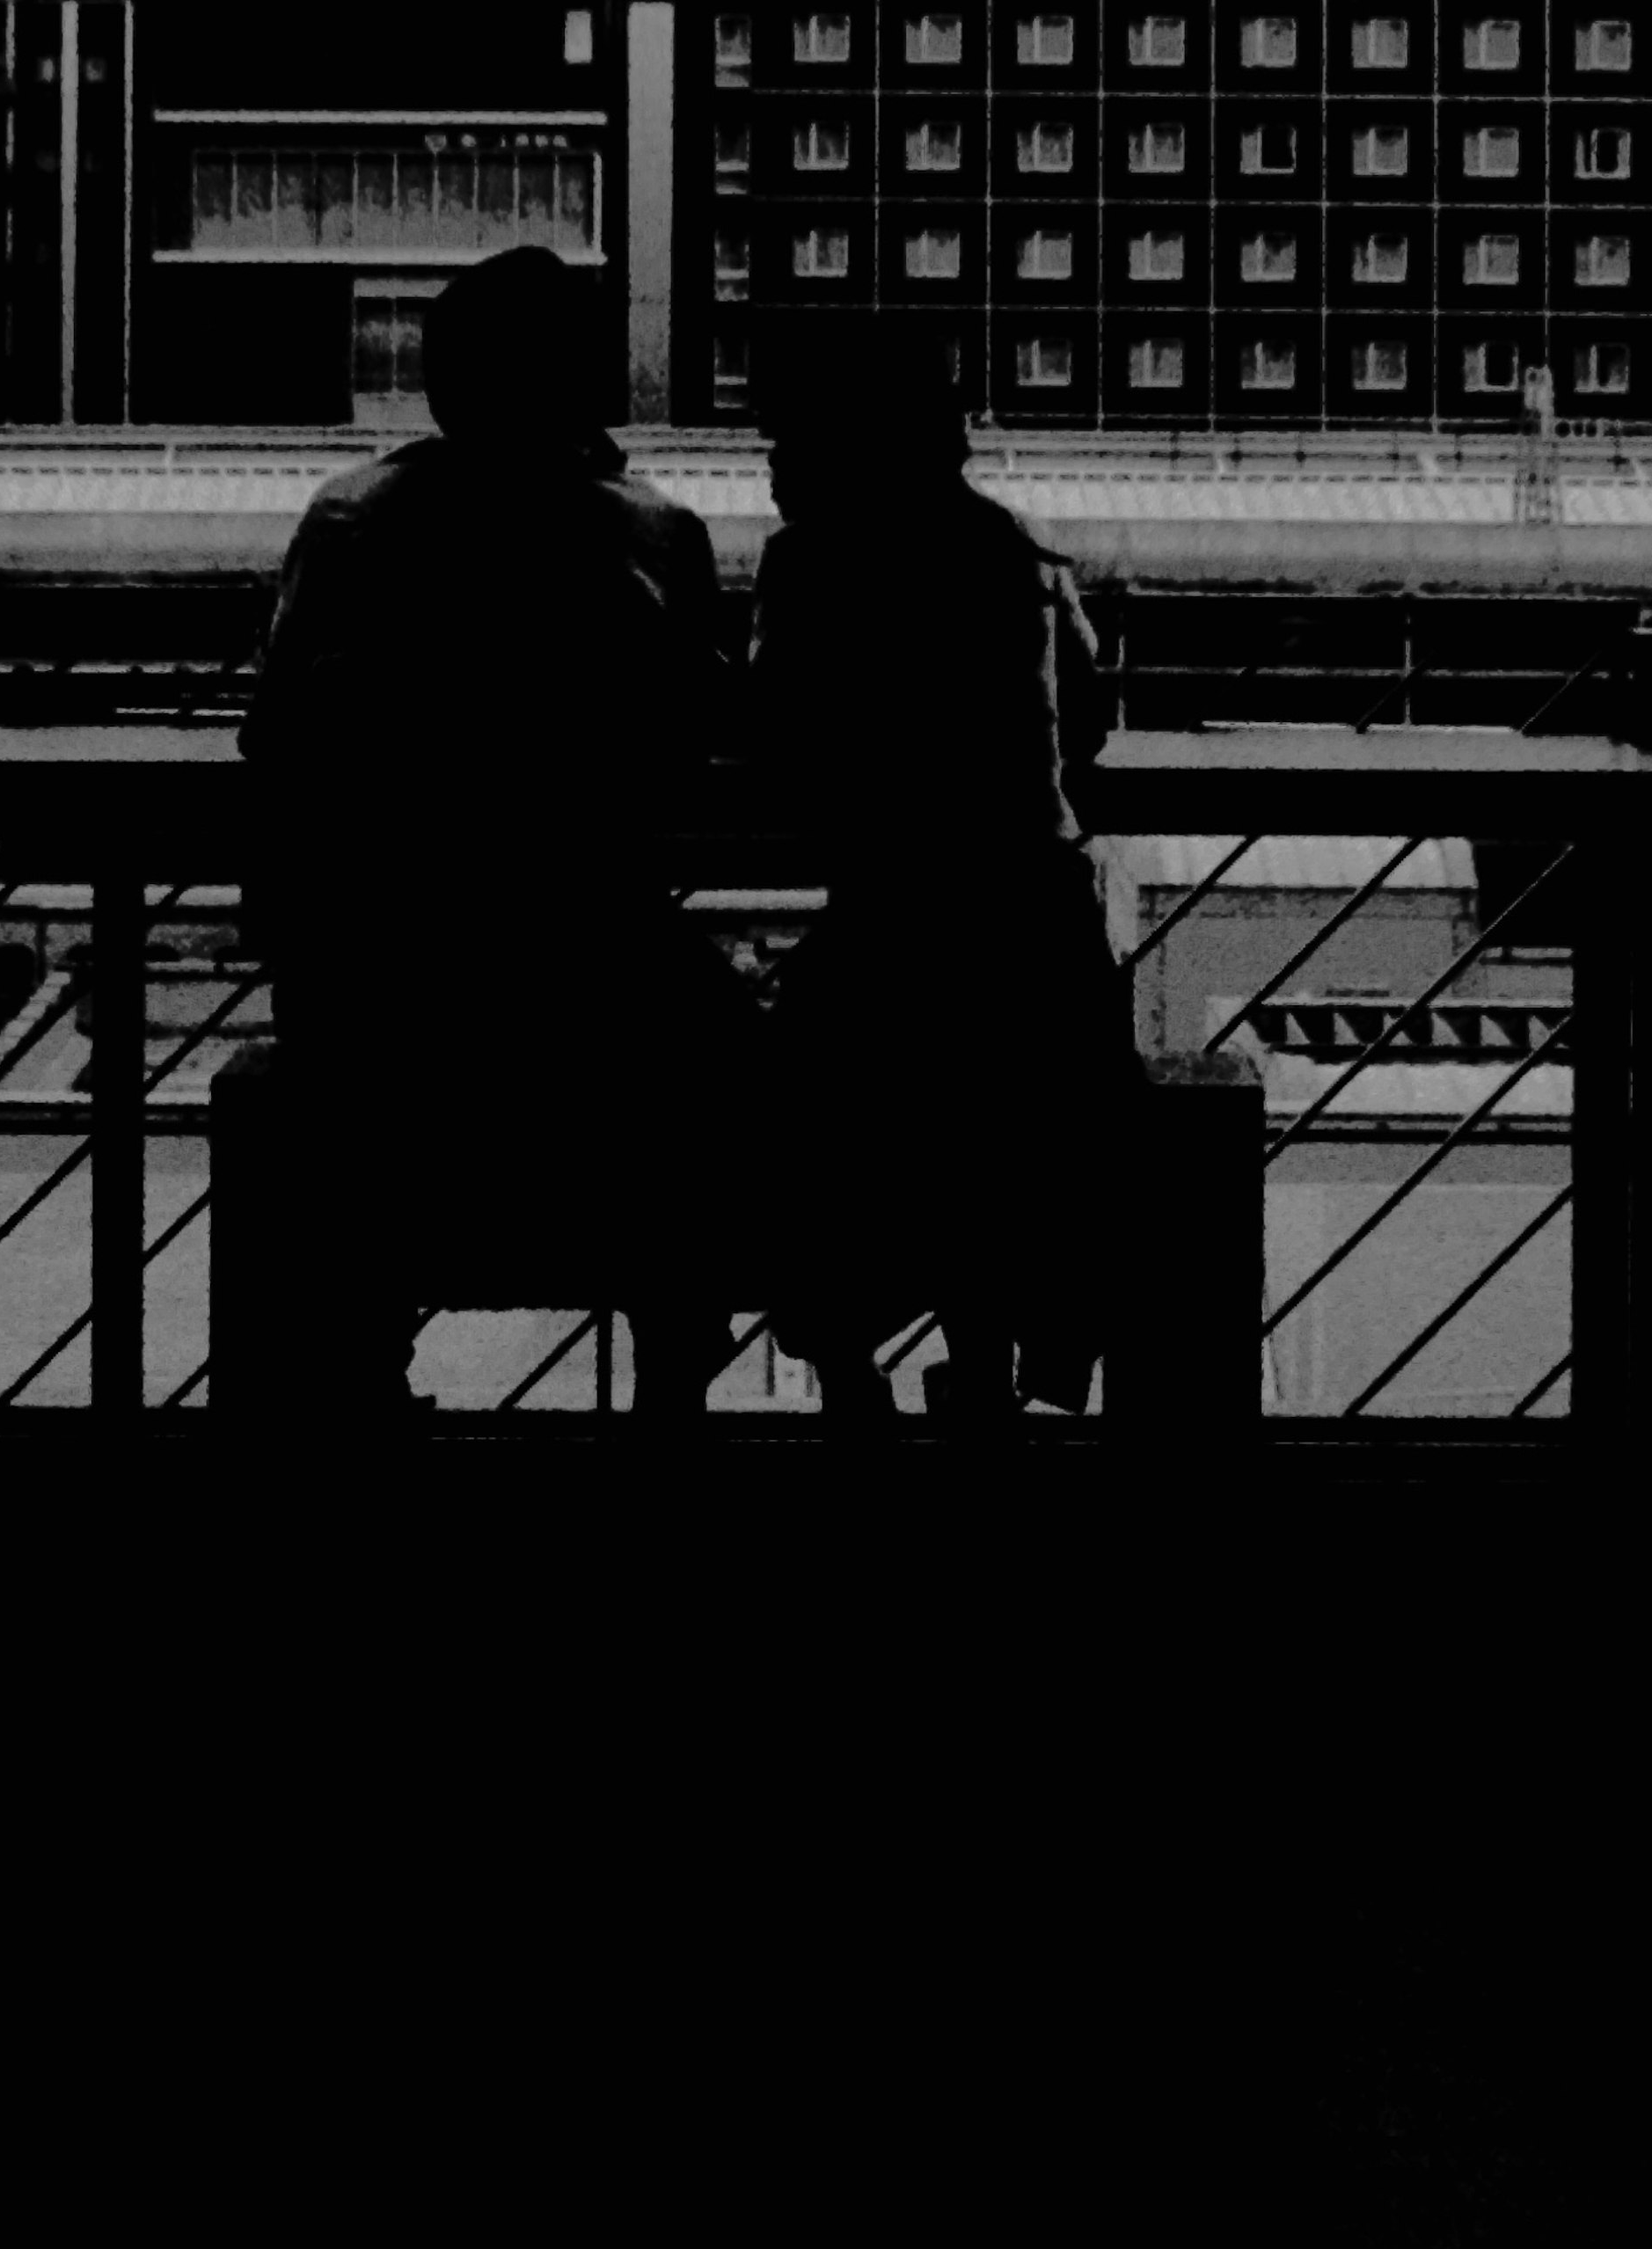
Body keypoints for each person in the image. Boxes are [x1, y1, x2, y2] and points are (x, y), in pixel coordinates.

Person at [234, 246, 749, 1426]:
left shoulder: (353, 524)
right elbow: (698, 745)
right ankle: (678, 1380)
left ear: (440, 384)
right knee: (729, 1068)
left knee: (349, 1145)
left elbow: (280, 741)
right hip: (596, 976)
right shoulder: (657, 541)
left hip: (389, 989)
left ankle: (362, 1378)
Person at [747, 321, 1137, 1428]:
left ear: (848, 449)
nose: (773, 466)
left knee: (807, 1121)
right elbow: (1086, 728)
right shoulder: (1019, 554)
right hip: (1040, 940)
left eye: (791, 442)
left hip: (896, 933)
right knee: (1004, 1167)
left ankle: (847, 1380)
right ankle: (992, 1379)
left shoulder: (812, 563)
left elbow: (780, 744)